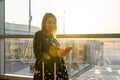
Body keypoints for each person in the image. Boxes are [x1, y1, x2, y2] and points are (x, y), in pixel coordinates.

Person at [33, 12, 72, 80]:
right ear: (44, 23)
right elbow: (38, 55)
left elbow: (54, 51)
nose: (52, 25)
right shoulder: (39, 34)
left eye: (54, 23)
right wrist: (55, 54)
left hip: (57, 68)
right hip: (46, 69)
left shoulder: (52, 37)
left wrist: (62, 52)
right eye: (49, 22)